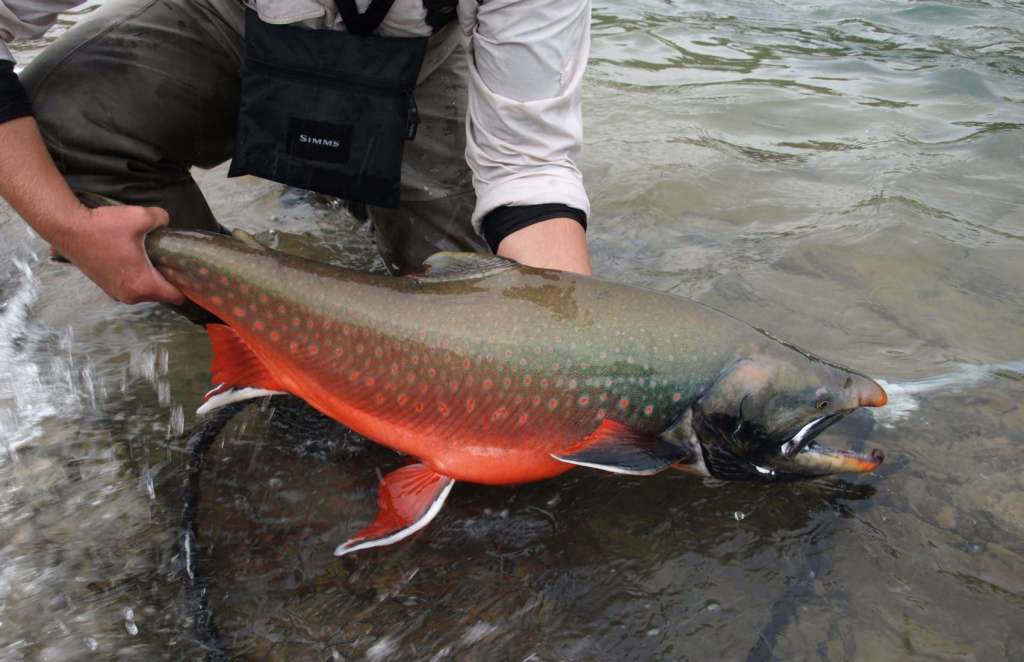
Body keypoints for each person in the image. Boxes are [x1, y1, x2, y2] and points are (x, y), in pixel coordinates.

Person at [0, 0, 593, 310]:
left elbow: (527, 168)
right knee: (59, 121)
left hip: (419, 61)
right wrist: (68, 225)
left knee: (481, 301)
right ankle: (238, 330)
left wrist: (573, 337)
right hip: (231, 19)